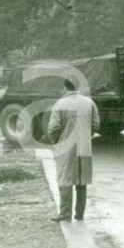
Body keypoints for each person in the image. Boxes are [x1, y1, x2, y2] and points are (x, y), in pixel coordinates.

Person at [47, 79, 100, 221]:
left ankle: (65, 213)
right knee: (81, 180)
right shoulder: (89, 102)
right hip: (84, 146)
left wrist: (56, 142)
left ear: (65, 88)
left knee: (65, 179)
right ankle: (80, 214)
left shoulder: (60, 104)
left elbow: (54, 128)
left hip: (66, 146)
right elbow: (96, 124)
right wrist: (86, 136)